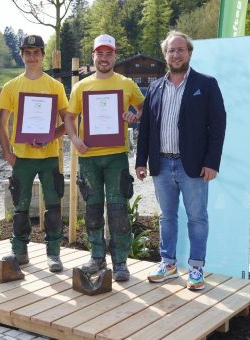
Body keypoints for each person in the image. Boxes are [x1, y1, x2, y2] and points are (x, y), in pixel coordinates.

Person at [136, 30, 226, 290]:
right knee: (167, 217)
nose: (176, 55)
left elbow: (218, 126)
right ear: (165, 55)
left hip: (194, 166)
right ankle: (169, 264)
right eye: (171, 51)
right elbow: (147, 129)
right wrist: (141, 161)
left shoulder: (206, 84)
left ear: (189, 52)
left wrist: (212, 162)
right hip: (162, 164)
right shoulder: (154, 88)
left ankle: (196, 267)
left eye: (180, 50)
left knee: (197, 217)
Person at [64, 34, 144, 281]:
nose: (104, 58)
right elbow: (68, 117)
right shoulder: (81, 86)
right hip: (88, 157)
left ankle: (120, 262)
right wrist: (75, 140)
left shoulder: (126, 83)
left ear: (115, 56)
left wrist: (134, 116)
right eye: (100, 53)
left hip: (116, 156)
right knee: (93, 209)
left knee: (118, 210)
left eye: (109, 53)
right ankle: (96, 257)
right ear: (94, 56)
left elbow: (143, 108)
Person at [0, 34, 68, 272]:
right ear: (22, 54)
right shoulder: (11, 86)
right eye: (27, 52)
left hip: (49, 157)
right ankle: (20, 251)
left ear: (43, 56)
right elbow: (2, 123)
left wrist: (50, 136)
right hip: (22, 158)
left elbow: (67, 122)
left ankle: (54, 254)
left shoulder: (55, 86)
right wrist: (7, 153)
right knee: (21, 206)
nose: (32, 56)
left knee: (54, 206)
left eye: (36, 52)